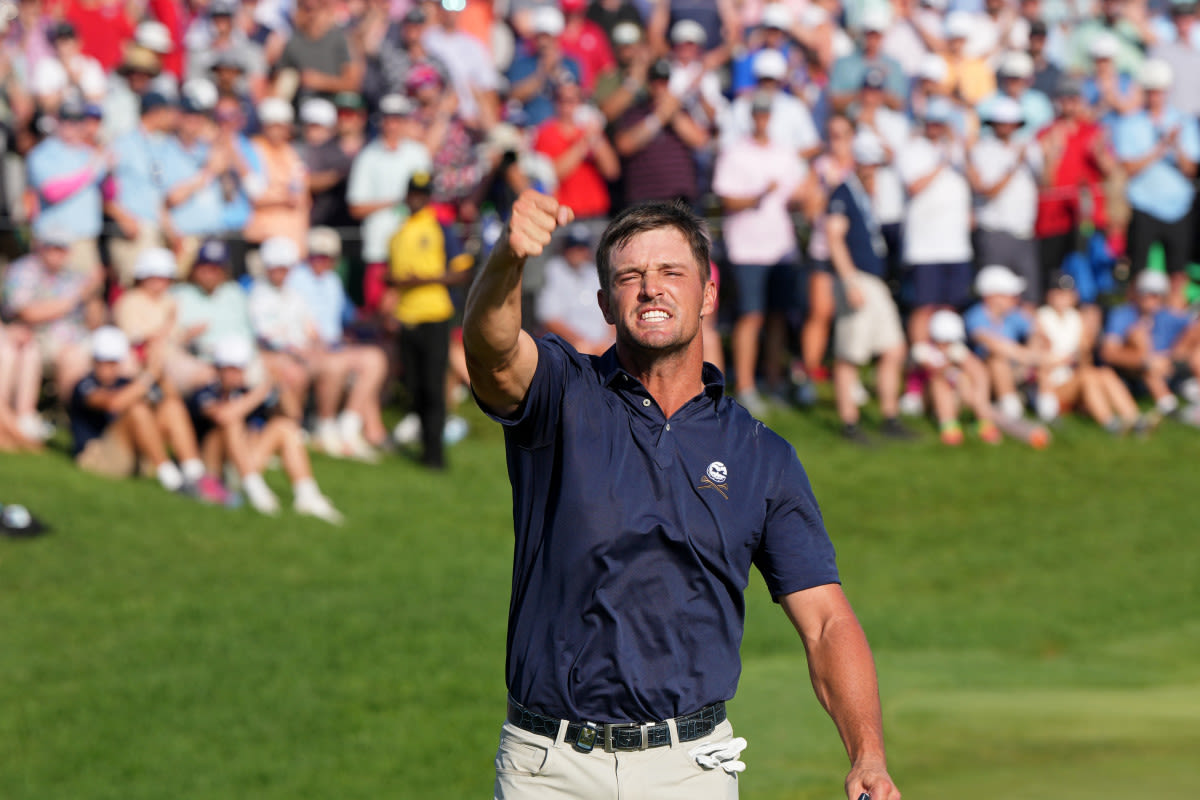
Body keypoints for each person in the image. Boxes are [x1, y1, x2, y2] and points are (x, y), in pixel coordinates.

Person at [463, 190, 900, 800]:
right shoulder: (561, 393)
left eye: (672, 272)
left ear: (709, 294)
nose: (651, 288)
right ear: (604, 304)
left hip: (690, 770)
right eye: (630, 277)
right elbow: (491, 350)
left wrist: (868, 755)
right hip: (550, 769)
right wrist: (510, 258)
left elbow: (827, 622)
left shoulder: (761, 455)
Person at [712, 88, 813, 414]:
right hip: (747, 248)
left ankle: (773, 382)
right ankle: (745, 384)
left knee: (777, 318)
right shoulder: (735, 152)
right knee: (750, 316)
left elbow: (797, 194)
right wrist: (758, 196)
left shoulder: (784, 152)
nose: (762, 118)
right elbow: (726, 198)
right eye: (758, 112)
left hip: (780, 248)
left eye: (767, 112)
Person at [189, 335, 344, 523]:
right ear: (218, 368)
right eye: (229, 368)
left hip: (246, 461)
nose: (234, 374)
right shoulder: (206, 392)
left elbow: (294, 415)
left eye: (238, 368)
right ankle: (254, 488)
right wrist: (262, 390)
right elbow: (223, 416)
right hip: (215, 467)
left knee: (284, 427)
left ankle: (307, 494)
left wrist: (280, 384)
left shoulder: (248, 391)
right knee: (232, 422)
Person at [69, 326, 227, 502]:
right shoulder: (84, 384)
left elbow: (173, 401)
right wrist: (149, 374)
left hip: (133, 453)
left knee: (171, 407)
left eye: (113, 362)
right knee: (137, 409)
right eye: (103, 361)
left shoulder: (127, 381)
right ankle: (173, 481)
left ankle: (196, 475)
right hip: (98, 457)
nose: (108, 368)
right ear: (94, 360)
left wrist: (158, 370)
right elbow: (114, 403)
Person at [826, 133, 914, 444]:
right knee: (850, 353)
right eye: (870, 164)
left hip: (873, 279)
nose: (873, 170)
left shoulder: (863, 193)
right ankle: (849, 422)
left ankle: (889, 415)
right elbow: (834, 236)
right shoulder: (843, 192)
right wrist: (849, 280)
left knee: (894, 347)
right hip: (858, 279)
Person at [386, 172, 474, 469]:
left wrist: (424, 280)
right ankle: (425, 444)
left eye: (422, 194)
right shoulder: (398, 231)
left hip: (434, 314)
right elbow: (394, 276)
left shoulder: (440, 227)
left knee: (433, 386)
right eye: (413, 193)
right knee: (414, 386)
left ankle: (435, 455)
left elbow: (462, 272)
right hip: (406, 316)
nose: (416, 199)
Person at [287, 227, 391, 457]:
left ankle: (349, 424)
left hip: (334, 345)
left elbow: (350, 317)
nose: (321, 261)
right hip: (307, 347)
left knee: (375, 359)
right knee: (337, 364)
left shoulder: (333, 281)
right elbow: (296, 322)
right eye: (316, 255)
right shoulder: (294, 279)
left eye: (327, 257)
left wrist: (381, 320)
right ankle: (327, 426)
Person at [1034, 270, 1148, 432]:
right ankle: (1109, 422)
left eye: (1066, 293)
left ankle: (1133, 418)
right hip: (1052, 384)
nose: (1062, 297)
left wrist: (1088, 339)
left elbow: (1084, 356)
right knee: (1087, 376)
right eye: (1058, 292)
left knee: (1104, 373)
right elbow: (1039, 357)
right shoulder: (1040, 317)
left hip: (1071, 375)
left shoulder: (1075, 318)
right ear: (1049, 295)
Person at [1100, 268, 1200, 417]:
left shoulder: (1165, 315)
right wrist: (1146, 361)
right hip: (1132, 372)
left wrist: (1174, 354)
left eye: (1155, 295)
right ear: (1138, 293)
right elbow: (1108, 353)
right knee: (1138, 336)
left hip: (1166, 365)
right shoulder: (1122, 314)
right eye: (1146, 293)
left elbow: (1194, 327)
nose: (1150, 298)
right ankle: (1169, 407)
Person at [963, 265, 1047, 419]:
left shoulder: (1014, 314)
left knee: (1041, 357)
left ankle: (1046, 407)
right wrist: (1029, 357)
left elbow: (1038, 333)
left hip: (1015, 368)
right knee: (998, 361)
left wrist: (1032, 350)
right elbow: (993, 345)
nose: (1017, 299)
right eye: (1011, 295)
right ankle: (1011, 409)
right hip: (981, 376)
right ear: (992, 296)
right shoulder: (975, 316)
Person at [925, 309, 1004, 445]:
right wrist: (954, 369)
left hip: (962, 396)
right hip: (930, 399)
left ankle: (983, 419)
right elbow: (935, 371)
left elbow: (978, 371)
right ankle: (949, 427)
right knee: (940, 382)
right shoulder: (924, 351)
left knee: (972, 375)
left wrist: (963, 368)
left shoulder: (957, 350)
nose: (947, 345)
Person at [535, 222, 613, 356]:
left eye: (582, 248)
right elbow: (549, 319)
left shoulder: (594, 273)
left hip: (602, 344)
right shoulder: (554, 271)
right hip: (571, 345)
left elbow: (612, 313)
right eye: (573, 247)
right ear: (565, 249)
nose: (578, 253)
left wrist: (606, 342)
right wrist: (581, 342)